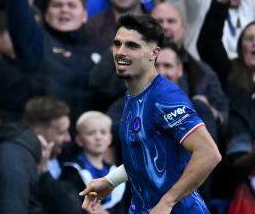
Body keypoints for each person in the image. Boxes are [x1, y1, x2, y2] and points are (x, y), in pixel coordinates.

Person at [79, 14, 221, 213]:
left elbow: (209, 154)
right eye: (117, 44)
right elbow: (147, 154)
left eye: (132, 46)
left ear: (154, 54)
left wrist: (167, 201)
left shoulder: (165, 97)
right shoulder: (132, 95)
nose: (121, 52)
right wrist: (110, 181)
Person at [0, 96, 79, 214]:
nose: (68, 138)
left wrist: (44, 172)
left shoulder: (28, 156)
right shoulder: (13, 159)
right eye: (61, 132)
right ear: (38, 132)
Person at [61, 111, 127, 214]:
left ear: (110, 138)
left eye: (103, 132)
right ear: (79, 139)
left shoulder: (114, 171)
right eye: (91, 133)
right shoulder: (73, 170)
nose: (98, 137)